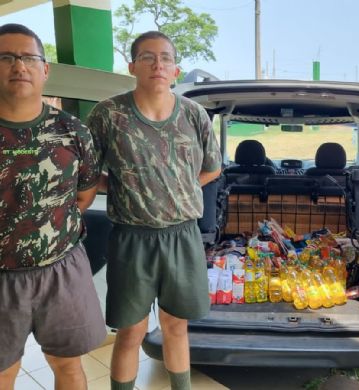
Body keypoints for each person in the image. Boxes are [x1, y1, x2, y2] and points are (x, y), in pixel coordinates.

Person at [86, 31, 222, 390]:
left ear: (176, 69)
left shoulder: (194, 115)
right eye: (147, 57)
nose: (157, 64)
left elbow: (212, 167)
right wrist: (121, 186)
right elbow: (85, 174)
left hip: (182, 236)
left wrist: (180, 187)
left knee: (176, 326)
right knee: (131, 332)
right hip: (132, 238)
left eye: (165, 58)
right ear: (132, 66)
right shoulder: (108, 115)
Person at [0, 23, 106, 390]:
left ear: (45, 70)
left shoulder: (72, 130)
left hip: (61, 269)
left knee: (69, 366)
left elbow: (84, 193)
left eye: (29, 57)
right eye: (7, 57)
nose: (19, 66)